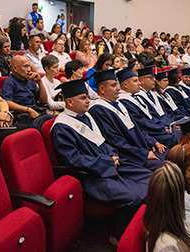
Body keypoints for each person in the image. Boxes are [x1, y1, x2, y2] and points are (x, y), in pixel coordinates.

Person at [51, 78, 151, 241]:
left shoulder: (86, 117)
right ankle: (118, 234)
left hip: (110, 164)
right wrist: (106, 162)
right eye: (83, 98)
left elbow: (103, 141)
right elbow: (72, 159)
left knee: (151, 178)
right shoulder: (62, 127)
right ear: (69, 101)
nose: (88, 101)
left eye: (87, 97)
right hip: (92, 175)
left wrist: (113, 154)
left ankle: (144, 225)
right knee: (132, 196)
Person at [87, 69, 166, 170]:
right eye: (113, 85)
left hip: (141, 150)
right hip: (130, 157)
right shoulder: (98, 110)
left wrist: (153, 142)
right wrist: (143, 154)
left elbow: (137, 128)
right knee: (166, 167)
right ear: (102, 89)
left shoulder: (119, 104)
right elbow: (116, 141)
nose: (118, 88)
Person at [117, 65, 180, 148]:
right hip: (150, 134)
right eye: (136, 81)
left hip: (155, 129)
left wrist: (167, 125)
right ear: (125, 85)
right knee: (175, 137)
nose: (139, 83)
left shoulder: (134, 97)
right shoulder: (124, 101)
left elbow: (151, 115)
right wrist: (162, 128)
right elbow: (141, 122)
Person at [0, 55, 55, 128]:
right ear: (15, 68)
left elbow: (44, 100)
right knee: (52, 119)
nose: (29, 69)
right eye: (25, 66)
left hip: (37, 113)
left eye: (29, 66)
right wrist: (28, 110)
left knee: (58, 119)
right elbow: (7, 102)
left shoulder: (30, 81)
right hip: (23, 118)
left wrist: (39, 82)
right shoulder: (9, 82)